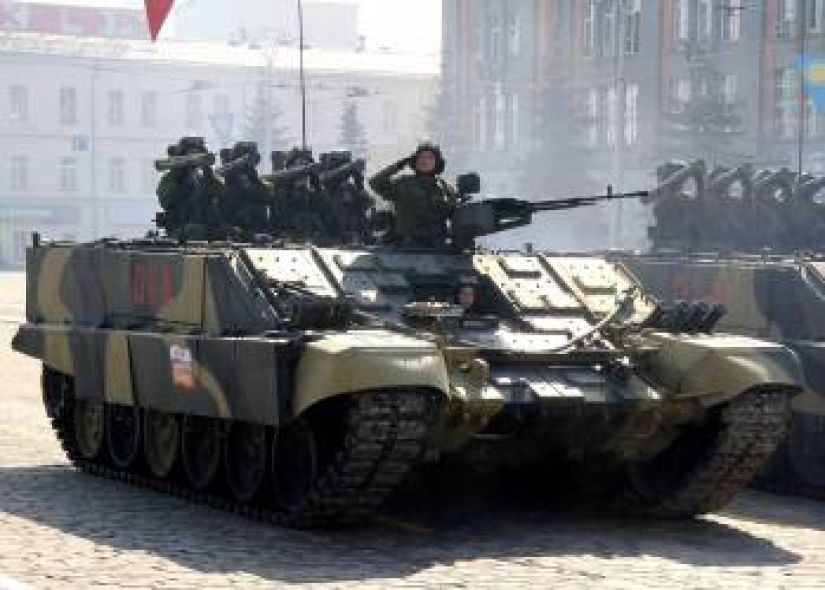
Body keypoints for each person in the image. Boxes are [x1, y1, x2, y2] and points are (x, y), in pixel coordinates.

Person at [369, 142, 457, 248]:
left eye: (430, 158)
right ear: (415, 161)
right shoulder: (403, 184)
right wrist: (400, 164)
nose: (425, 161)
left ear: (437, 162)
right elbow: (375, 182)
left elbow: (454, 215)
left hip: (438, 246)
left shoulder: (445, 188)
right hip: (407, 246)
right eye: (421, 157)